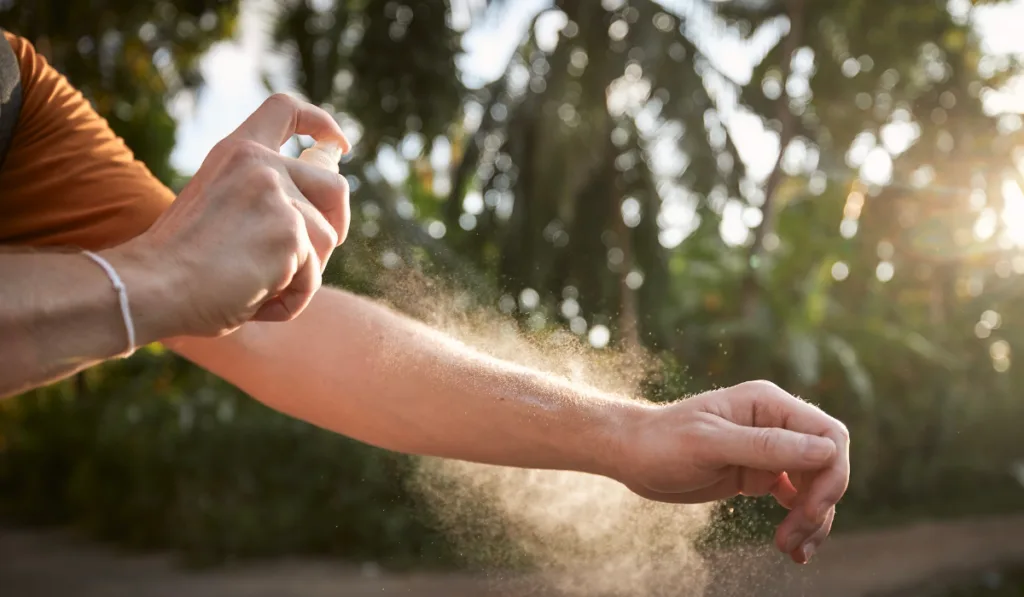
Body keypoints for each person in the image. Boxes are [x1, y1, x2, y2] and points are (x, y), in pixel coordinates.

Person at [0, 30, 848, 565]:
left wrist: (631, 431)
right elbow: (168, 283)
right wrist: (154, 281)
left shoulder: (20, 94)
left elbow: (274, 330)